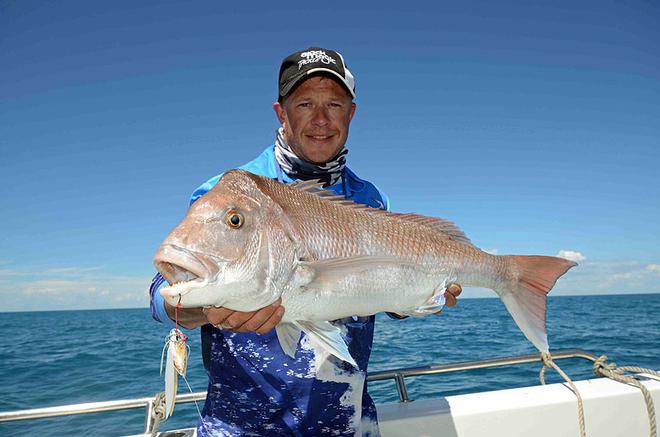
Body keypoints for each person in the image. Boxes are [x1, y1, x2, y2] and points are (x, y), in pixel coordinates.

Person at [149, 47, 462, 436]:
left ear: (351, 113)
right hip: (240, 428)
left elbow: (378, 293)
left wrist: (421, 299)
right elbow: (162, 296)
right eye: (304, 104)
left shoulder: (370, 200)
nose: (320, 119)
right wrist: (204, 311)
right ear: (282, 113)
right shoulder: (230, 192)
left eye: (334, 104)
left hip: (348, 425)